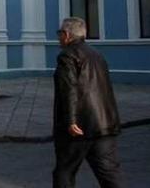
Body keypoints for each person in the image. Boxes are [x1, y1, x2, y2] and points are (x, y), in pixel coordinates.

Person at [53, 17, 123, 188]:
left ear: (67, 35)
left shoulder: (67, 56)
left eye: (59, 34)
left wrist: (71, 121)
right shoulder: (97, 54)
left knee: (65, 171)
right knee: (109, 173)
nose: (58, 38)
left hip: (80, 127)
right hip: (104, 124)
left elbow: (69, 90)